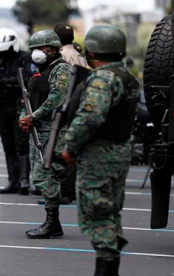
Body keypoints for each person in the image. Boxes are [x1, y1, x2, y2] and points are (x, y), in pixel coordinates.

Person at [61, 25, 139, 275]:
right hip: (119, 153)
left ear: (92, 52)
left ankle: (105, 269)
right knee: (110, 212)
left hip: (99, 157)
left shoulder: (102, 79)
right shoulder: (127, 77)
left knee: (97, 214)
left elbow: (91, 117)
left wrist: (70, 145)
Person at [18, 30, 72, 238]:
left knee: (46, 174)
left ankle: (53, 224)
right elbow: (28, 99)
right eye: (34, 49)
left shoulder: (61, 69)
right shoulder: (38, 71)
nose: (36, 53)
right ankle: (52, 222)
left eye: (41, 48)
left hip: (53, 128)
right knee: (40, 175)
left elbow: (57, 98)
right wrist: (24, 117)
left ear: (52, 49)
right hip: (38, 129)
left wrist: (34, 117)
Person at [0, 28, 33, 195]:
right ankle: (14, 181)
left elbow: (27, 79)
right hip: (3, 108)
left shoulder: (25, 58)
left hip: (20, 107)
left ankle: (25, 180)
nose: (1, 54)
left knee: (22, 144)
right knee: (8, 145)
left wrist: (2, 81)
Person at [53, 23, 88, 205]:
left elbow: (62, 86)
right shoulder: (79, 56)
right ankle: (71, 190)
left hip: (65, 106)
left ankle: (65, 192)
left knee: (62, 149)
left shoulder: (61, 57)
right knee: (73, 148)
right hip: (79, 105)